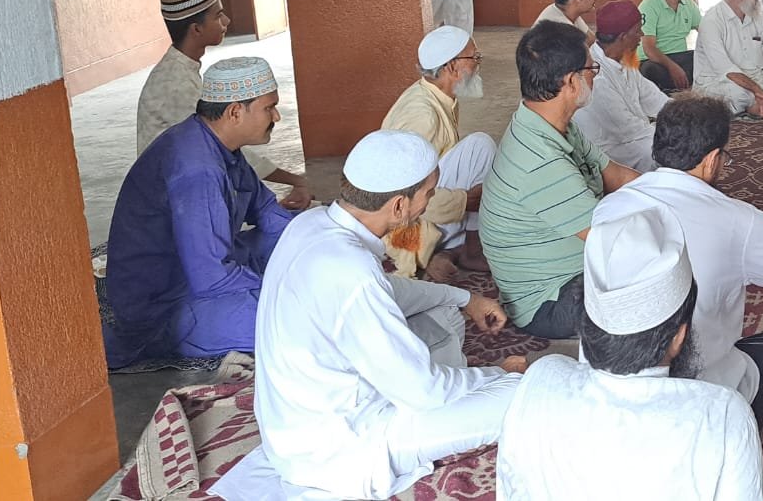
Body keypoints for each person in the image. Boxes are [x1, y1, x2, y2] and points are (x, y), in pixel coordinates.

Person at [212, 131, 527, 501]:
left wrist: (466, 298)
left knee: (444, 309)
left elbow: (391, 290)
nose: (429, 203)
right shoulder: (353, 271)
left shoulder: (311, 223)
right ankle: (480, 382)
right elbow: (424, 392)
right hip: (344, 447)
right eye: (428, 194)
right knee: (523, 393)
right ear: (398, 206)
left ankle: (448, 375)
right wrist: (496, 375)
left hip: (294, 426)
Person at [496, 202, 763, 501]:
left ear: (586, 322)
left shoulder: (540, 380)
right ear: (679, 336)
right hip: (739, 386)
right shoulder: (719, 411)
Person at [594, 96, 763, 429]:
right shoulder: (736, 221)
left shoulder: (609, 209)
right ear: (712, 160)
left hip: (610, 397)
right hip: (711, 403)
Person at [103, 57, 299, 369]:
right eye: (269, 108)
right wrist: (283, 286)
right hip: (167, 304)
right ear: (235, 112)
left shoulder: (221, 147)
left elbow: (266, 211)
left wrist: (313, 248)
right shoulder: (197, 169)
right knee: (297, 319)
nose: (276, 116)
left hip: (201, 269)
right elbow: (212, 278)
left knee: (302, 232)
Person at [481, 21, 640, 337]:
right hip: (550, 300)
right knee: (656, 278)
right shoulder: (538, 161)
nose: (595, 76)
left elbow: (617, 175)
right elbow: (610, 241)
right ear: (571, 81)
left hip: (573, 270)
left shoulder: (550, 124)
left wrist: (678, 196)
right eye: (591, 69)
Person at [137, 0, 311, 206]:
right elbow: (218, 145)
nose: (227, 21)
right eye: (218, 16)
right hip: (172, 202)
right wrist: (296, 180)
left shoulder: (182, 70)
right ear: (196, 29)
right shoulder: (175, 84)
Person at [381, 25, 496, 279]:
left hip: (426, 207)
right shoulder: (422, 115)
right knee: (480, 146)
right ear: (452, 67)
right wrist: (465, 200)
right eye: (474, 58)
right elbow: (403, 195)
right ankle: (461, 250)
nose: (478, 64)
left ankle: (450, 250)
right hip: (405, 224)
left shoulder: (436, 96)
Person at [576, 0, 669, 170]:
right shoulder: (595, 74)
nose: (642, 35)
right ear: (623, 37)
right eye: (637, 30)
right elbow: (628, 129)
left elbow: (652, 96)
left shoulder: (624, 59)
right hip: (610, 150)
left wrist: (684, 113)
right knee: (667, 150)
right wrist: (678, 131)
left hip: (635, 136)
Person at [638, 0, 703, 91]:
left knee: (703, 59)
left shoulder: (689, 4)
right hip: (655, 60)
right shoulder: (649, 6)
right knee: (649, 70)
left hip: (680, 57)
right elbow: (649, 48)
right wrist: (673, 68)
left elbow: (706, 32)